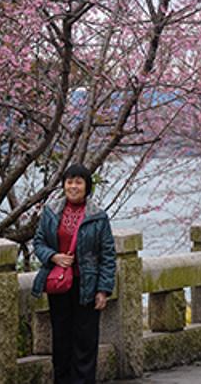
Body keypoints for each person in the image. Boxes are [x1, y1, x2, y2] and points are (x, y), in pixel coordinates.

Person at [32, 163, 116, 384]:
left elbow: (108, 255)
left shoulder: (98, 217)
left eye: (78, 182)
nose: (73, 186)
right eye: (69, 182)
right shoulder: (51, 212)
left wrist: (103, 290)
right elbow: (38, 242)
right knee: (61, 338)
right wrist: (53, 256)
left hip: (86, 284)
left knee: (85, 340)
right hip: (59, 284)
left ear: (87, 187)